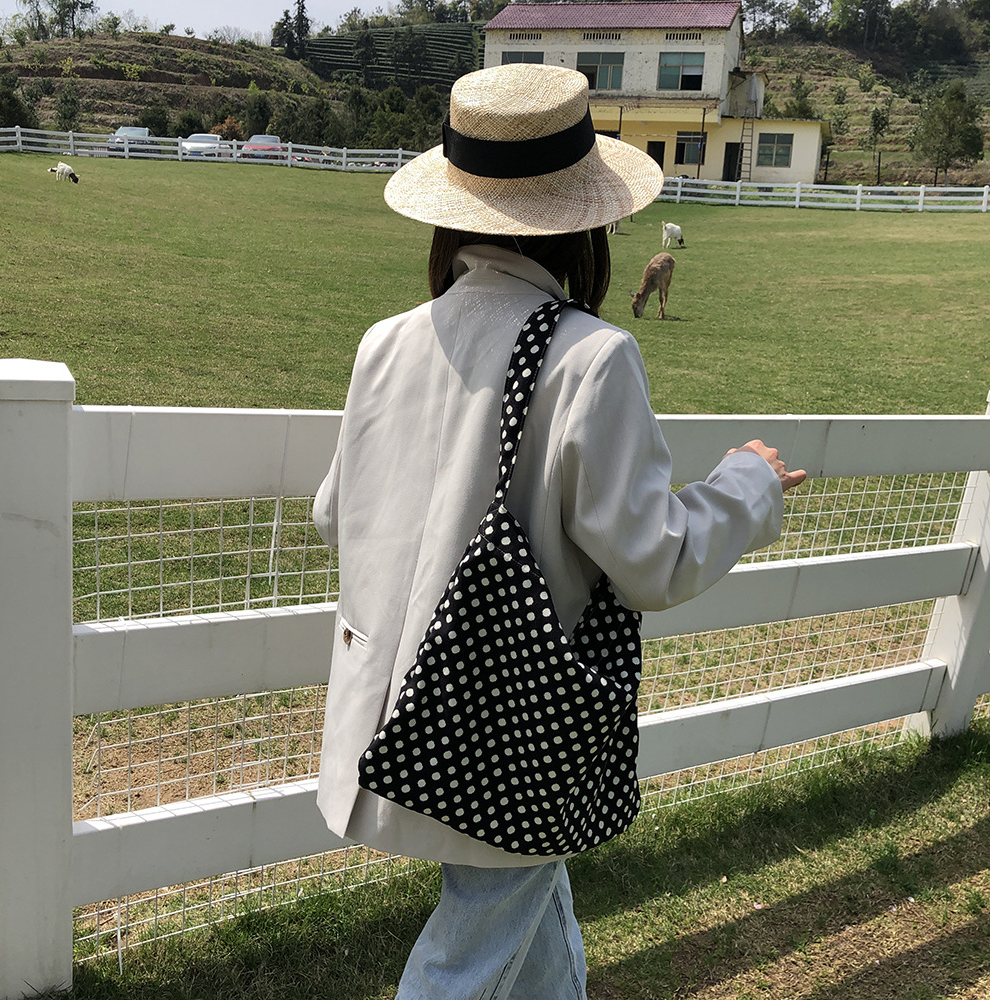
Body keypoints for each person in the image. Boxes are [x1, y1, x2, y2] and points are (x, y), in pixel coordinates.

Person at [312, 62, 806, 1000]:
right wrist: (748, 485)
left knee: (527, 908)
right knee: (473, 950)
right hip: (505, 721)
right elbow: (655, 558)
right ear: (587, 221)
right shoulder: (589, 356)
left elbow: (337, 513)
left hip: (387, 712)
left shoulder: (386, 340)